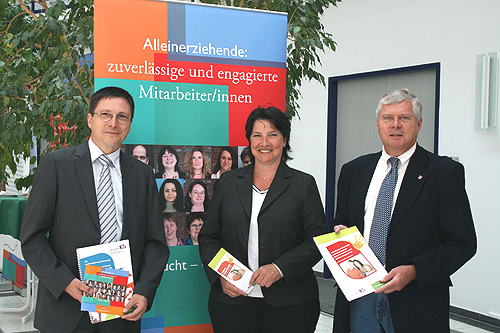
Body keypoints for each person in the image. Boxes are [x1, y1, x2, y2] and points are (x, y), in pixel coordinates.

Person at [20, 86, 170, 333]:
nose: (114, 122)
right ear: (90, 119)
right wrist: (64, 282)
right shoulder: (57, 165)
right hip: (66, 309)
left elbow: (156, 243)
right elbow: (32, 238)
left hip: (122, 310)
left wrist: (144, 291)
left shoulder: (142, 174)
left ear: (130, 124)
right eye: (105, 114)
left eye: (122, 116)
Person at [332, 88, 477, 333]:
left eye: (404, 118)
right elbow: (341, 223)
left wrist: (414, 271)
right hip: (360, 295)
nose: (395, 125)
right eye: (388, 118)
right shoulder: (353, 170)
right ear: (378, 124)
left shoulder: (444, 173)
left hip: (416, 301)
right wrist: (340, 234)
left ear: (419, 124)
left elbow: (463, 243)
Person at [199, 106, 327, 333]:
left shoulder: (303, 185)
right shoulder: (228, 183)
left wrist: (279, 268)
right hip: (232, 302)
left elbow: (316, 241)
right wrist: (221, 275)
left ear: (285, 140)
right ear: (249, 140)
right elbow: (209, 237)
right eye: (257, 135)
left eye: (273, 135)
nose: (264, 143)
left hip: (291, 304)